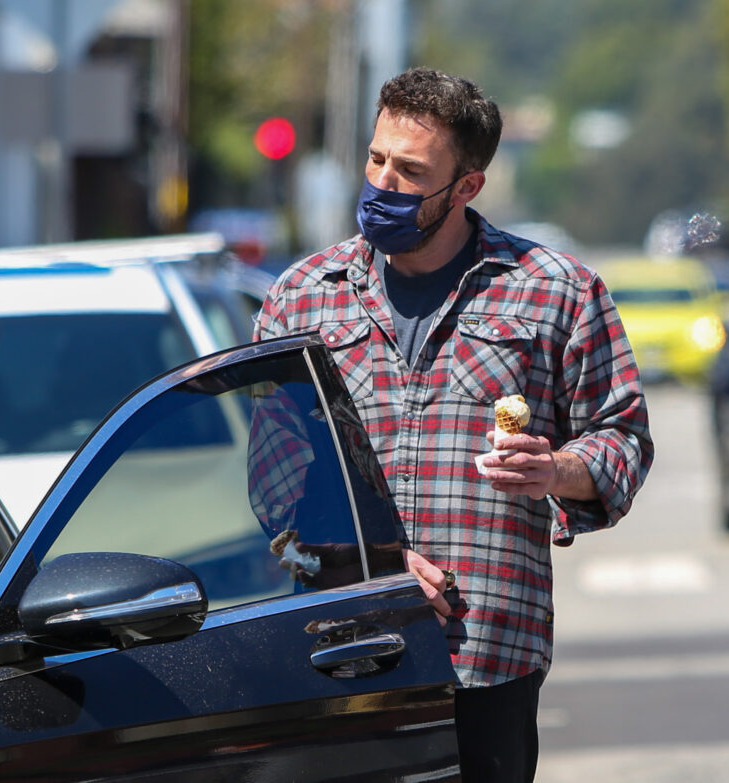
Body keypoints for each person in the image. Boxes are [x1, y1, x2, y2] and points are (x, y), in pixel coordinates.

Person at [256, 66, 654, 782]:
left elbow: (622, 437)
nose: (383, 182)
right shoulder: (303, 297)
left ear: (467, 186)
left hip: (486, 659)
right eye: (376, 159)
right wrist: (371, 569)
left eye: (411, 171)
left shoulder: (556, 291)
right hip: (339, 654)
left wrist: (555, 470)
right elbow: (270, 479)